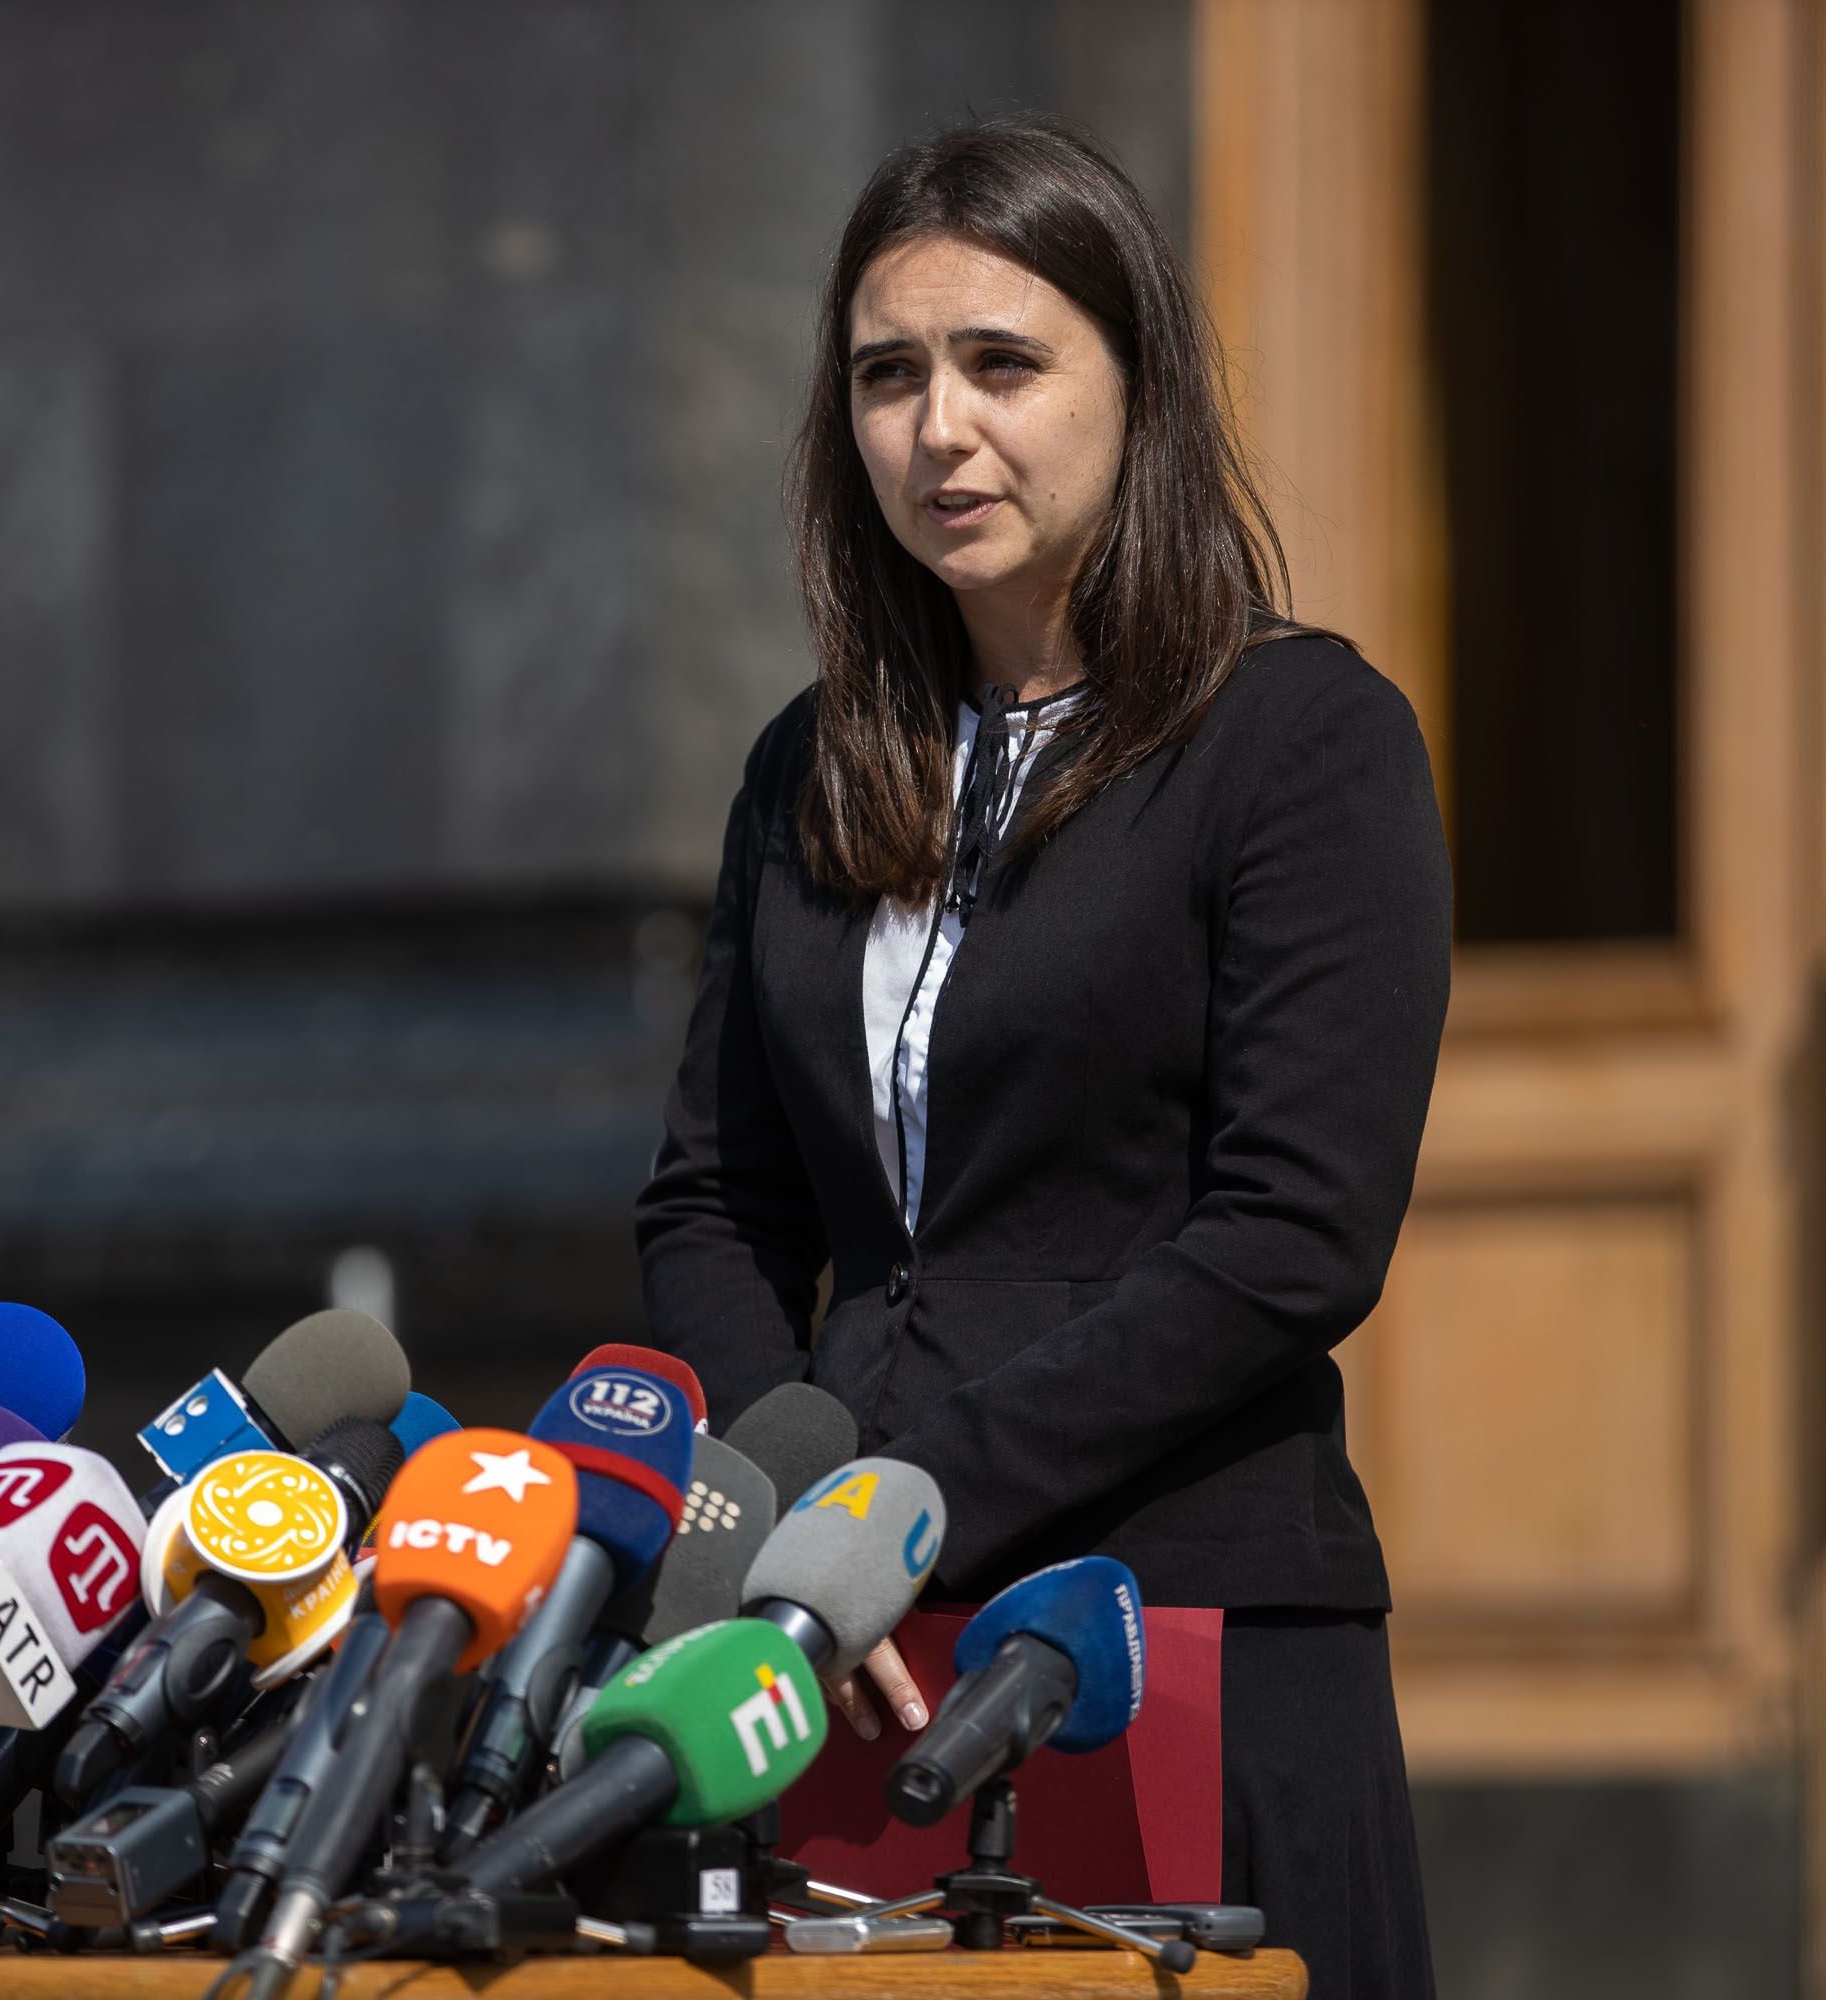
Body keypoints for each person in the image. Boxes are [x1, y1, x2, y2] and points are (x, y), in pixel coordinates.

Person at [637, 115, 1448, 2000]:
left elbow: (1294, 1233)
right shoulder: (808, 763)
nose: (940, 429)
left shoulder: (1297, 740)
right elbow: (714, 1201)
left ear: (1136, 387)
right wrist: (796, 1510)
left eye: (1003, 363)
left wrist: (913, 1503)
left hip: (1171, 1625)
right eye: (887, 376)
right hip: (842, 1654)